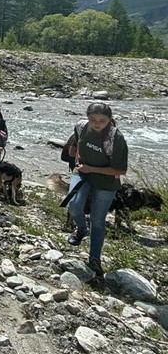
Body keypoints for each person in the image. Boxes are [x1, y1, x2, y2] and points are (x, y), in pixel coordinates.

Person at [65, 102, 128, 276]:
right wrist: (79, 160)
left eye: (102, 120)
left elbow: (121, 170)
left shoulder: (116, 138)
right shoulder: (81, 127)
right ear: (87, 118)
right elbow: (76, 146)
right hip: (83, 173)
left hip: (106, 181)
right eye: (92, 119)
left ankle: (94, 258)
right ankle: (81, 229)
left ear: (109, 119)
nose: (97, 124)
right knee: (74, 205)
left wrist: (92, 169)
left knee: (97, 219)